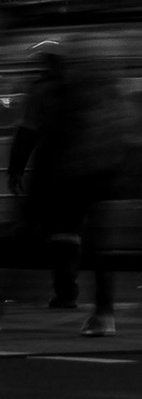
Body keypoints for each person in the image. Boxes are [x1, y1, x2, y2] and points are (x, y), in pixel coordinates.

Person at [7, 42, 125, 334]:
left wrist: (17, 168)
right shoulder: (109, 90)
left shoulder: (48, 92)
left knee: (41, 233)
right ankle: (101, 311)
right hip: (101, 175)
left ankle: (63, 293)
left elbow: (29, 130)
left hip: (63, 174)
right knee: (94, 244)